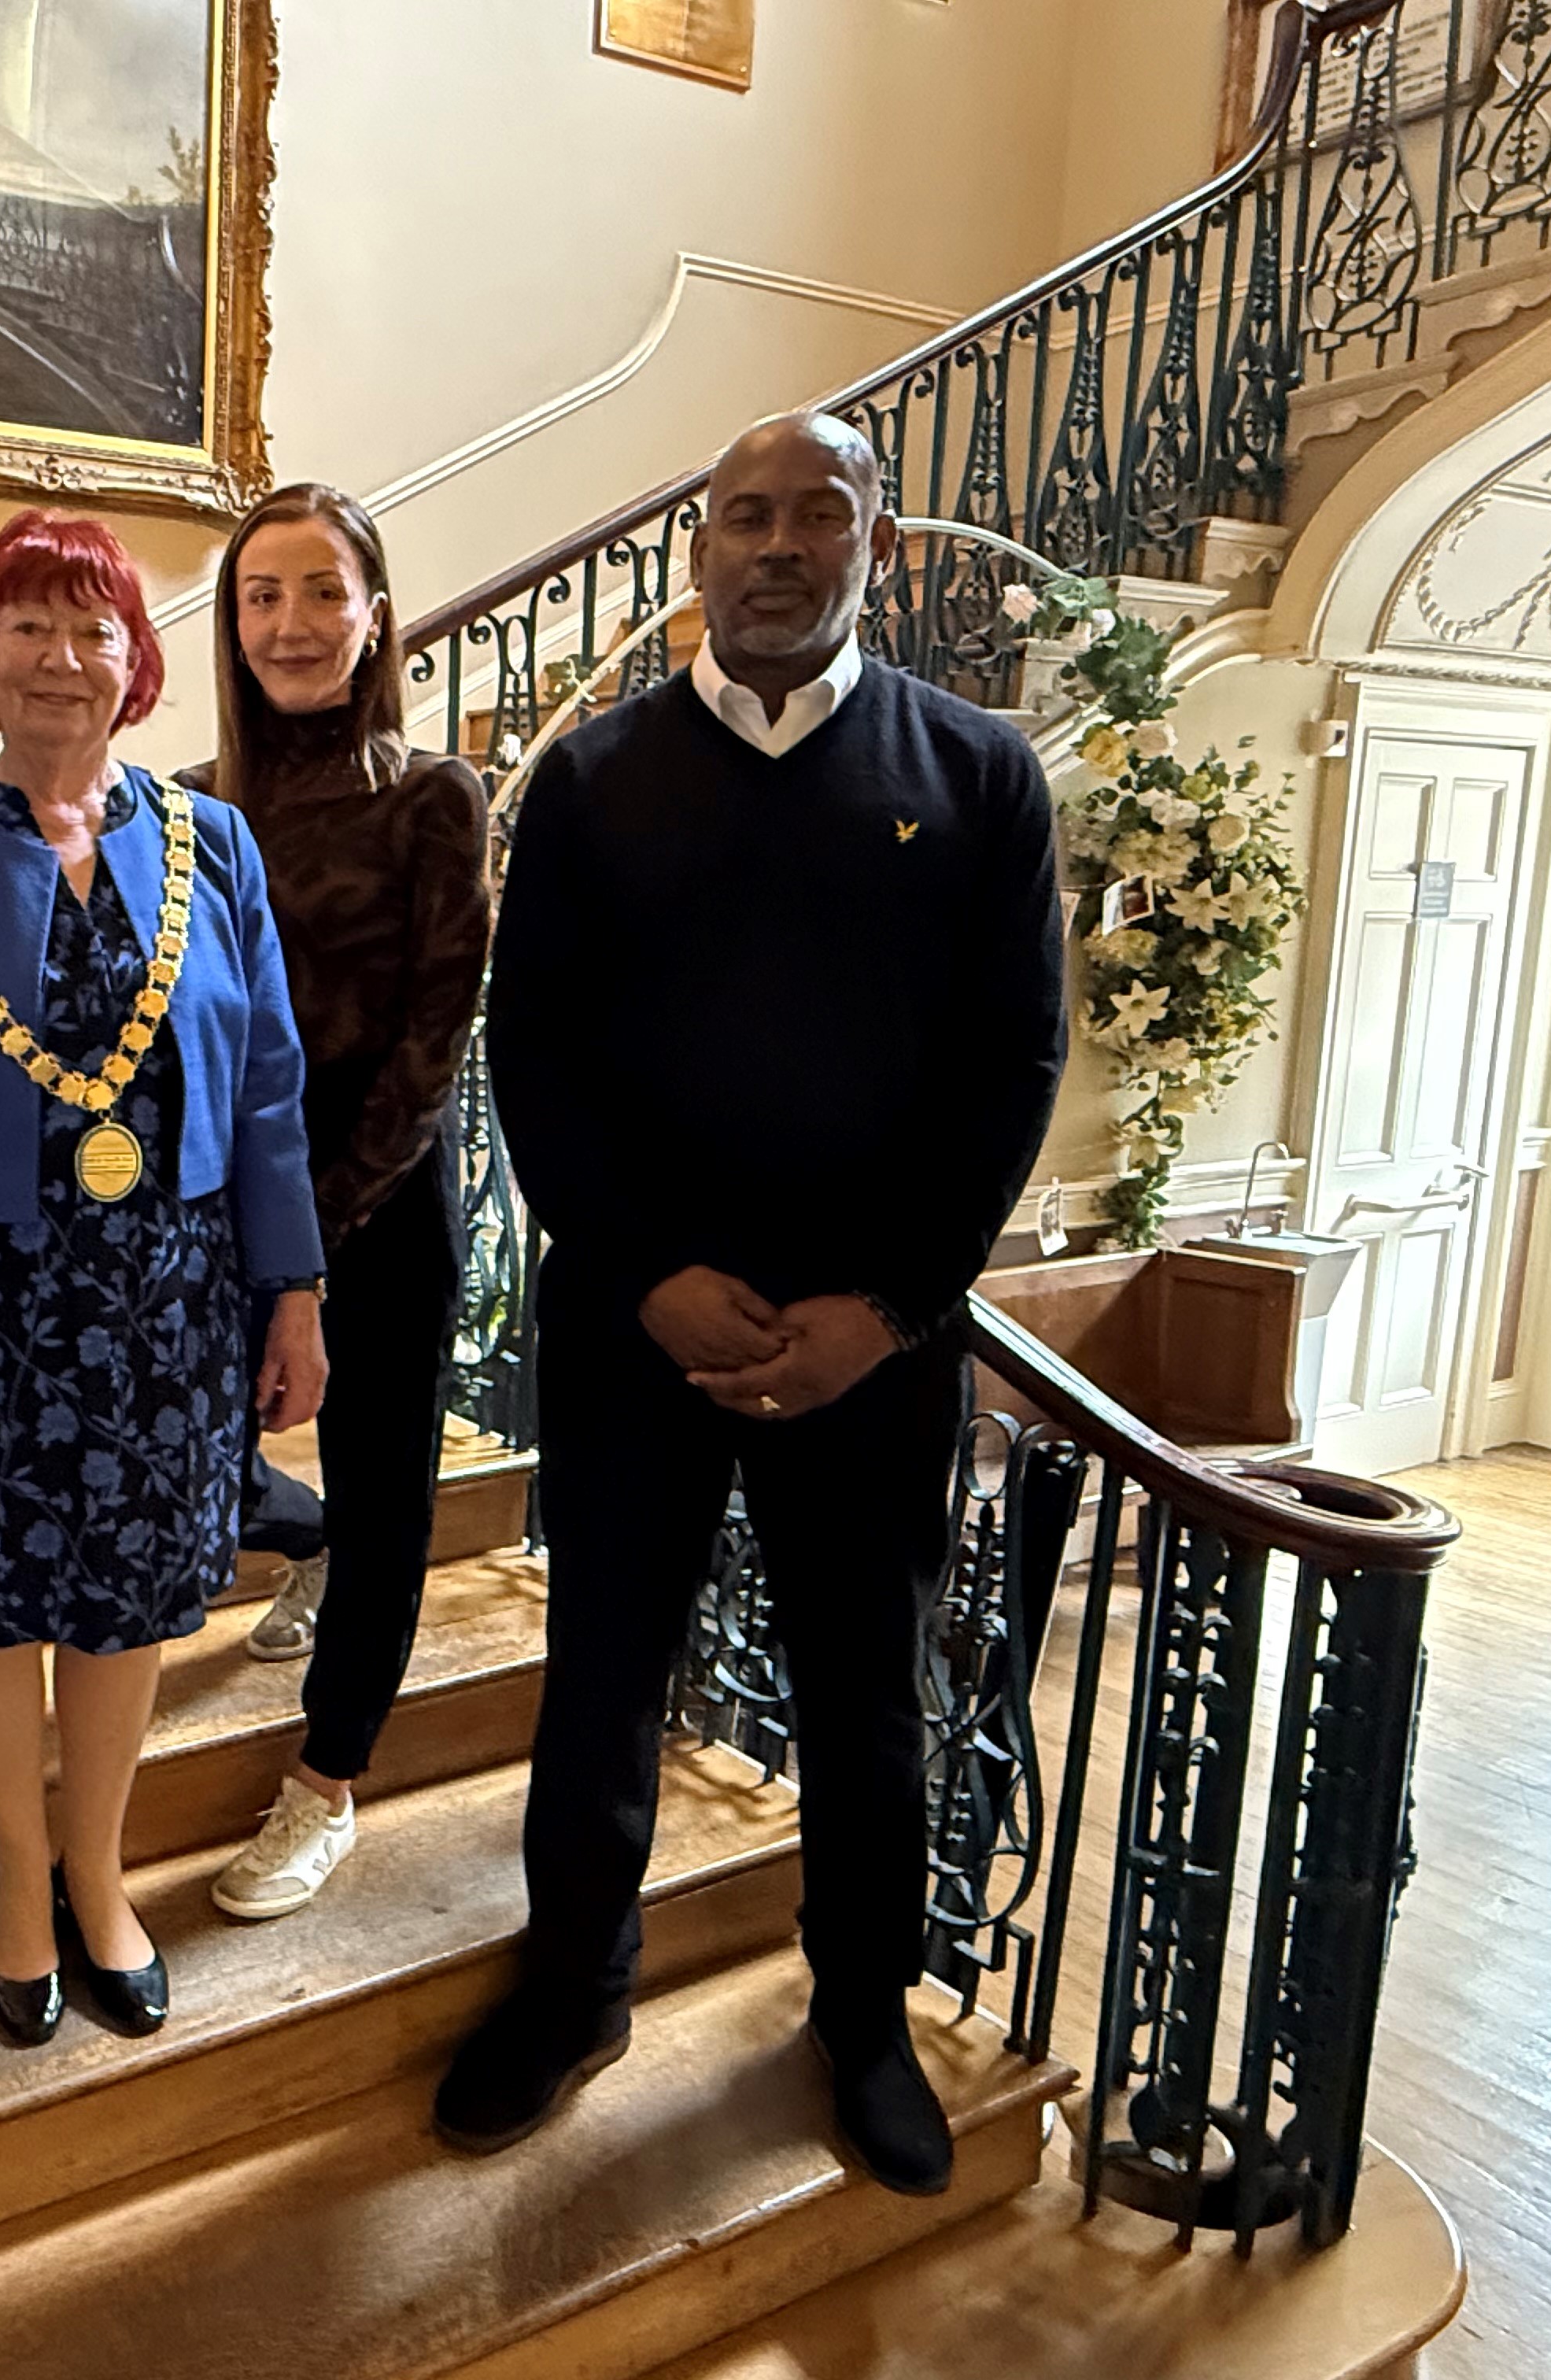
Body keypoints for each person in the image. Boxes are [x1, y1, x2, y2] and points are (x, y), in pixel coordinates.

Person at [438, 412, 1065, 2195]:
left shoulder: (978, 775)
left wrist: (890, 1304)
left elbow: (1014, 1063)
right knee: (602, 1674)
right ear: (700, 549)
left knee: (866, 1697)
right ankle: (575, 1988)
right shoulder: (592, 779)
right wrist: (643, 1272)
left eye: (820, 514)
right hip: (636, 1330)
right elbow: (533, 1050)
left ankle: (862, 2019)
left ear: (882, 544)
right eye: (745, 516)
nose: (779, 545)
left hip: (871, 1348)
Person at [0, 508, 327, 2049]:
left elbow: (268, 1089)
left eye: (92, 626)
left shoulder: (215, 843)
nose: (60, 656)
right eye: (27, 624)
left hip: (170, 1303)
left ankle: (100, 1873)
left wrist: (294, 1289)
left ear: (136, 661)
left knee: (128, 1608)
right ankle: (18, 1881)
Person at [182, 485, 493, 1924]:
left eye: (322, 592)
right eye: (263, 596)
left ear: (373, 616)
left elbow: (434, 1041)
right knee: (203, 1447)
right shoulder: (190, 804)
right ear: (233, 623)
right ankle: (301, 1549)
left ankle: (329, 1780)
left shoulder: (434, 796)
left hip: (381, 1197)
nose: (292, 624)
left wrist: (309, 1227)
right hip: (226, 1197)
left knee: (384, 1489)